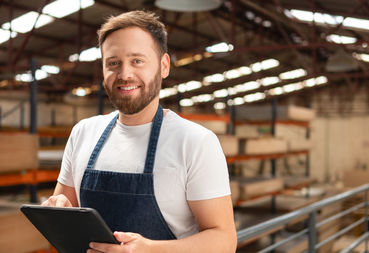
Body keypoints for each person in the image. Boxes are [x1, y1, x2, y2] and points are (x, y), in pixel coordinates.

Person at [42, 10, 237, 253]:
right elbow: (64, 208)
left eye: (137, 61)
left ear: (164, 66)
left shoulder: (195, 142)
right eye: (113, 63)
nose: (124, 74)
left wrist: (149, 250)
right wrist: (57, 207)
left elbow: (224, 241)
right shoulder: (84, 133)